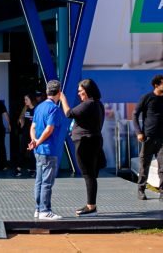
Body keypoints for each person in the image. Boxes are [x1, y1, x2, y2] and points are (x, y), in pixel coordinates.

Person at [59, 78, 105, 216]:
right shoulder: (97, 104)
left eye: (81, 91)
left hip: (86, 143)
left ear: (88, 91)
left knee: (88, 174)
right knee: (90, 175)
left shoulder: (89, 104)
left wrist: (62, 98)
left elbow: (69, 113)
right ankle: (91, 205)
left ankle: (91, 207)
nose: (79, 94)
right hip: (93, 141)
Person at [132, 74, 163, 202]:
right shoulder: (147, 98)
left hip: (162, 139)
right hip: (148, 138)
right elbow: (135, 115)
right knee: (144, 165)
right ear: (156, 85)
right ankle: (141, 189)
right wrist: (139, 132)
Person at [27, 80, 65, 220]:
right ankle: (45, 210)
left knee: (39, 180)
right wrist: (38, 141)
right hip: (49, 150)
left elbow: (33, 127)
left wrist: (34, 141)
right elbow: (49, 129)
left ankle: (38, 209)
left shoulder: (39, 107)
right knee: (47, 182)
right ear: (59, 93)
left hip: (38, 151)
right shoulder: (54, 109)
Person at [15, 93, 37, 177]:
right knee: (22, 150)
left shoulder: (36, 109)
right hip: (25, 132)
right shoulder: (25, 108)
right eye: (24, 99)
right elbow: (21, 117)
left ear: (31, 100)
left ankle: (32, 169)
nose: (25, 101)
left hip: (33, 133)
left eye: (26, 99)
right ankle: (18, 168)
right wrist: (22, 121)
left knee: (32, 152)